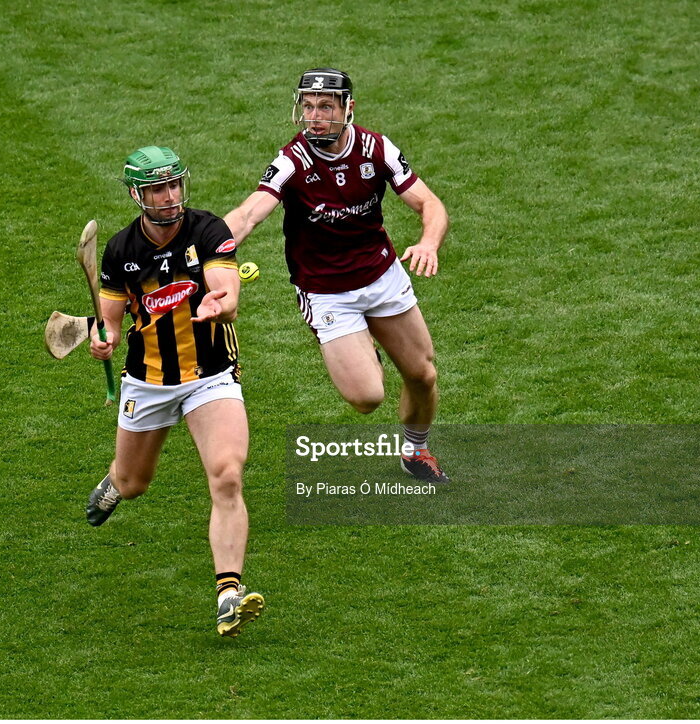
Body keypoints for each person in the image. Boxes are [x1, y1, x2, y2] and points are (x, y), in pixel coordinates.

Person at [224, 68, 450, 483]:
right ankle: (360, 344)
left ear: (348, 108)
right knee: (367, 397)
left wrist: (428, 243)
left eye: (325, 107)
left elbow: (429, 204)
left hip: (383, 277)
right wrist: (207, 250)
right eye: (308, 107)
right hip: (327, 292)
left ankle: (415, 451)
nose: (315, 117)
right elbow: (248, 213)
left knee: (423, 374)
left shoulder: (375, 148)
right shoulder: (293, 160)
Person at [85, 145, 264, 637]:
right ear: (137, 194)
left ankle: (228, 592)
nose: (168, 197)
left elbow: (227, 290)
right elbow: (111, 325)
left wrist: (220, 304)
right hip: (147, 382)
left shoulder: (208, 231)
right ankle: (115, 480)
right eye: (157, 189)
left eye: (173, 185)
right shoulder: (121, 251)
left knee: (227, 474)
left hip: (210, 374)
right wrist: (101, 342)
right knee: (134, 484)